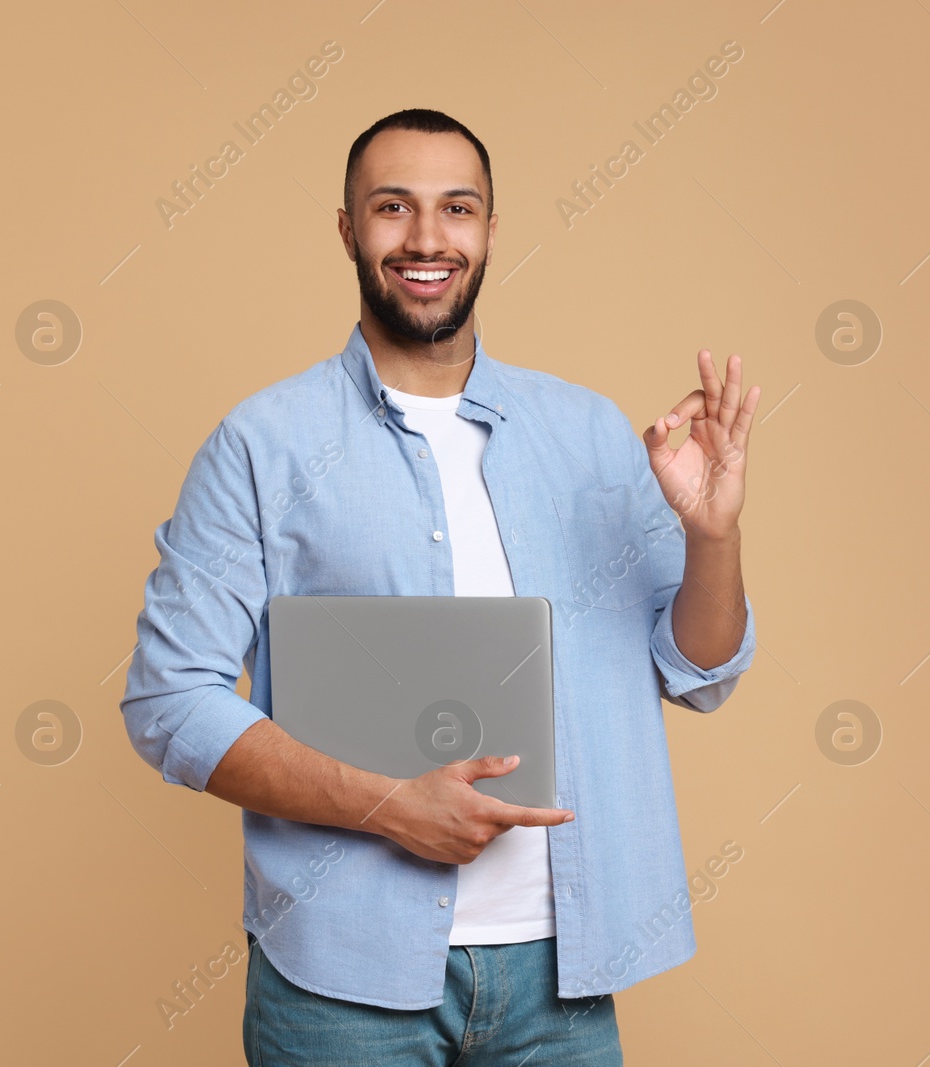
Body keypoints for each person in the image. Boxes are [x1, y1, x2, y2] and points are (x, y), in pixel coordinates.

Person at [119, 108, 761, 1065]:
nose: (427, 239)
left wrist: (713, 535)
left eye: (457, 209)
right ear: (348, 229)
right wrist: (384, 805)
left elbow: (700, 671)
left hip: (563, 979)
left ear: (491, 231)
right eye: (393, 208)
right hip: (339, 980)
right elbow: (169, 702)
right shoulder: (261, 444)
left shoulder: (588, 435)